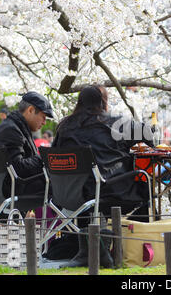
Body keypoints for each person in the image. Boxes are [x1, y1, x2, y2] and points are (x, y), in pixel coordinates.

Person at [52, 85, 155, 267]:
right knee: (144, 183)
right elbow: (148, 133)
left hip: (71, 194)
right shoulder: (116, 124)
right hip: (112, 191)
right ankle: (134, 246)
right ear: (103, 102)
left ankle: (88, 248)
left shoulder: (64, 127)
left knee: (89, 180)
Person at [0, 91, 54, 205]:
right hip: (12, 191)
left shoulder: (13, 126)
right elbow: (17, 167)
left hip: (2, 190)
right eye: (43, 117)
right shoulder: (12, 130)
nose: (44, 122)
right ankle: (65, 222)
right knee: (61, 186)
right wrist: (45, 158)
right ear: (30, 110)